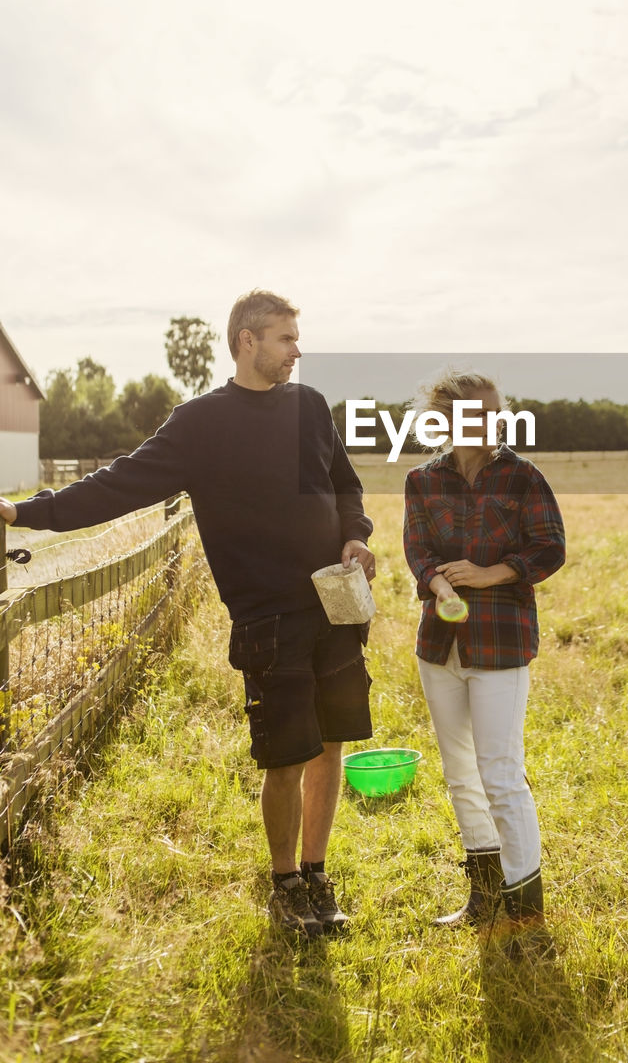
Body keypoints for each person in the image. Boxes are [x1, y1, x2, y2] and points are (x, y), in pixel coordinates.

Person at [0, 289, 375, 941]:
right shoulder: (200, 423)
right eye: (285, 338)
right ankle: (285, 882)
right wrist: (23, 512)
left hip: (336, 607)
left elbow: (343, 482)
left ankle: (318, 872)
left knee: (331, 743)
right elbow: (118, 483)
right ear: (246, 340)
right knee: (286, 757)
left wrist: (355, 533)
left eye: (298, 337)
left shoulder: (310, 408)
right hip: (269, 619)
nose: (297, 350)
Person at [402, 370, 565, 948]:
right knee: (461, 776)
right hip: (438, 646)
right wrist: (440, 586)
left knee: (501, 774)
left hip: (500, 641)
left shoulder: (523, 477)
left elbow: (550, 548)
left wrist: (489, 574)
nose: (495, 421)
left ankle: (526, 915)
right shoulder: (422, 481)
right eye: (480, 413)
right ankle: (485, 896)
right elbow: (418, 551)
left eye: (499, 411)